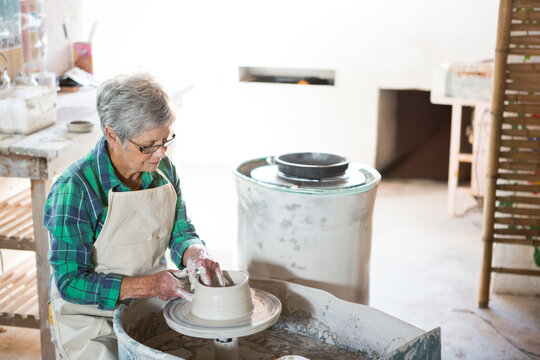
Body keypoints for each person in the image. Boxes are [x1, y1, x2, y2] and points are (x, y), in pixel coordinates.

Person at [43, 73, 224, 359]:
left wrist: (195, 252)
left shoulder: (163, 172)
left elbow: (179, 230)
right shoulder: (76, 189)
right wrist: (149, 285)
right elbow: (69, 282)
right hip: (92, 323)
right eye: (149, 145)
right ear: (112, 135)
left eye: (166, 140)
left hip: (149, 306)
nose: (161, 153)